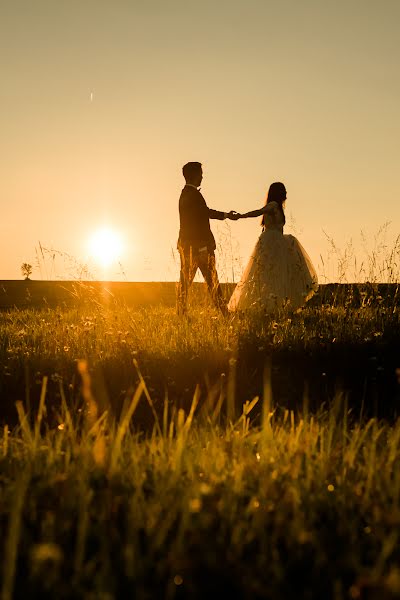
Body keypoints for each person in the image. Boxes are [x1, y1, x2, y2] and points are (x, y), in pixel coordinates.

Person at [228, 182, 318, 313]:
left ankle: (274, 305)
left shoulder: (278, 207)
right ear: (278, 192)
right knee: (272, 274)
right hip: (272, 242)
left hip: (276, 241)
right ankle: (271, 306)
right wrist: (241, 216)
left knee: (273, 275)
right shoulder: (273, 205)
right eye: (284, 191)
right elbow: (258, 212)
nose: (286, 193)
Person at [176, 161, 239, 316]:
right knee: (212, 280)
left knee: (186, 282)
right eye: (201, 174)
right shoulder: (193, 195)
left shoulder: (185, 194)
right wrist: (226, 215)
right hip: (199, 246)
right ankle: (224, 313)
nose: (202, 177)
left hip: (188, 245)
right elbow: (205, 212)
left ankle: (181, 313)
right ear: (195, 175)